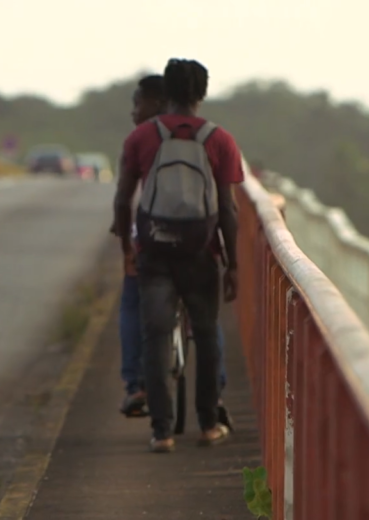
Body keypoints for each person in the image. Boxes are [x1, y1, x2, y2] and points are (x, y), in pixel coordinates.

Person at [114, 58, 243, 452]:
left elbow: (123, 200)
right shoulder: (219, 139)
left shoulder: (143, 137)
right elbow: (228, 208)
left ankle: (162, 432)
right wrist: (233, 262)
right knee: (205, 335)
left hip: (154, 251)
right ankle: (207, 425)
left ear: (165, 94)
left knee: (154, 337)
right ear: (202, 94)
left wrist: (126, 247)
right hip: (200, 253)